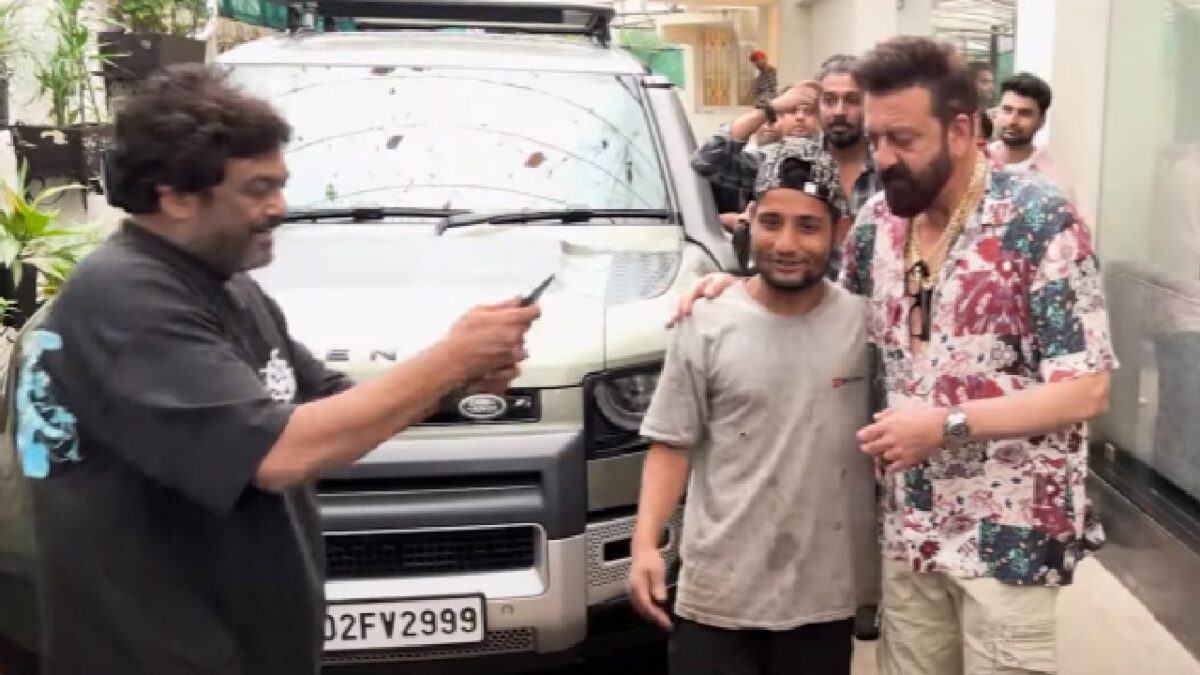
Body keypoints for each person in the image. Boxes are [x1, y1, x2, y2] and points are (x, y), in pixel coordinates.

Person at [16, 64, 540, 675]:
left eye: (281, 184)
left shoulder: (228, 284)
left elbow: (324, 402)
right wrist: (449, 358)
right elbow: (278, 453)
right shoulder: (125, 300)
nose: (279, 208)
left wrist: (453, 385)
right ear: (176, 196)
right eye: (257, 189)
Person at [673, 36, 1117, 675]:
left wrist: (946, 426)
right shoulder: (879, 226)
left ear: (961, 130)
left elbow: (1085, 389)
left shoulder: (1042, 223)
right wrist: (735, 292)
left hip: (1010, 544)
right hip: (908, 534)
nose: (883, 157)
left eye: (902, 140)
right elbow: (820, 315)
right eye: (877, 139)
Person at [628, 137, 877, 675]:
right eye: (772, 222)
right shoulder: (706, 321)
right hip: (719, 595)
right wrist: (646, 543)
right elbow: (671, 442)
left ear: (839, 232)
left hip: (821, 598)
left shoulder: (865, 327)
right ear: (749, 222)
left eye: (808, 226)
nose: (786, 242)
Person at [988, 72, 1074, 198]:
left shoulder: (1054, 181)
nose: (1012, 121)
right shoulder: (976, 163)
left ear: (1041, 121)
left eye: (1024, 113)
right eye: (1007, 110)